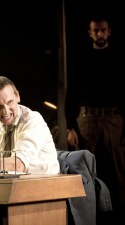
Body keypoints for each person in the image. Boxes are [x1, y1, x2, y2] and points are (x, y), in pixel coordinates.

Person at [65, 14, 125, 222]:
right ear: (90, 33)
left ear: (109, 32)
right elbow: (70, 94)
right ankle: (84, 214)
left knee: (120, 169)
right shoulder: (82, 58)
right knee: (82, 167)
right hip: (87, 116)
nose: (99, 34)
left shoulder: (118, 57)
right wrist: (70, 127)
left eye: (103, 30)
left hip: (114, 117)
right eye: (96, 31)